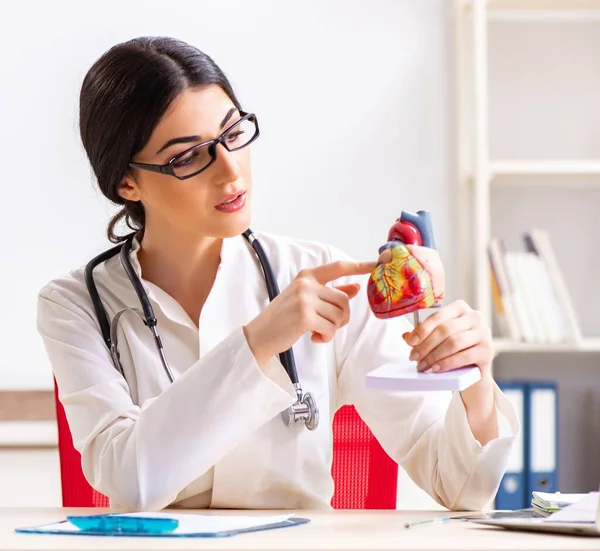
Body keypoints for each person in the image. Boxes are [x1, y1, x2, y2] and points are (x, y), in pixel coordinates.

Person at [37, 36, 518, 513]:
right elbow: (130, 481)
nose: (229, 171)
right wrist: (260, 339)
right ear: (127, 182)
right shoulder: (75, 305)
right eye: (187, 156)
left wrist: (473, 383)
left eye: (232, 134)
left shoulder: (326, 281)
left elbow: (462, 490)